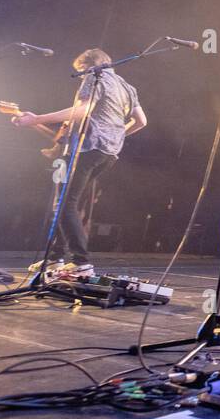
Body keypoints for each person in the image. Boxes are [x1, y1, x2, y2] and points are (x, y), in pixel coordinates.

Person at [12, 48, 147, 273]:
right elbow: (141, 121)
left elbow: (82, 110)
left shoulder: (95, 78)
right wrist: (116, 134)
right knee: (69, 204)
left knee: (64, 204)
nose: (81, 74)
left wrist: (37, 118)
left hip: (87, 149)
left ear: (89, 65)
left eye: (81, 70)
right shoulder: (127, 87)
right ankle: (55, 257)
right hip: (109, 153)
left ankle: (81, 262)